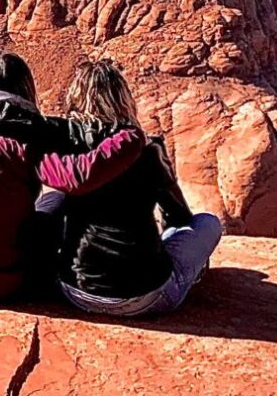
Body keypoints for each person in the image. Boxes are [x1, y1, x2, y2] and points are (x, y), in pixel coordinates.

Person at [0, 51, 146, 301]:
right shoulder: (26, 142)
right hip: (5, 282)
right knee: (56, 199)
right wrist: (128, 137)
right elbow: (76, 178)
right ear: (26, 90)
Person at [53, 58, 222, 317]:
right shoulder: (146, 150)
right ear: (124, 100)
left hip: (74, 291)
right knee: (208, 223)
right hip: (144, 297)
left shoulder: (67, 149)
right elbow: (178, 217)